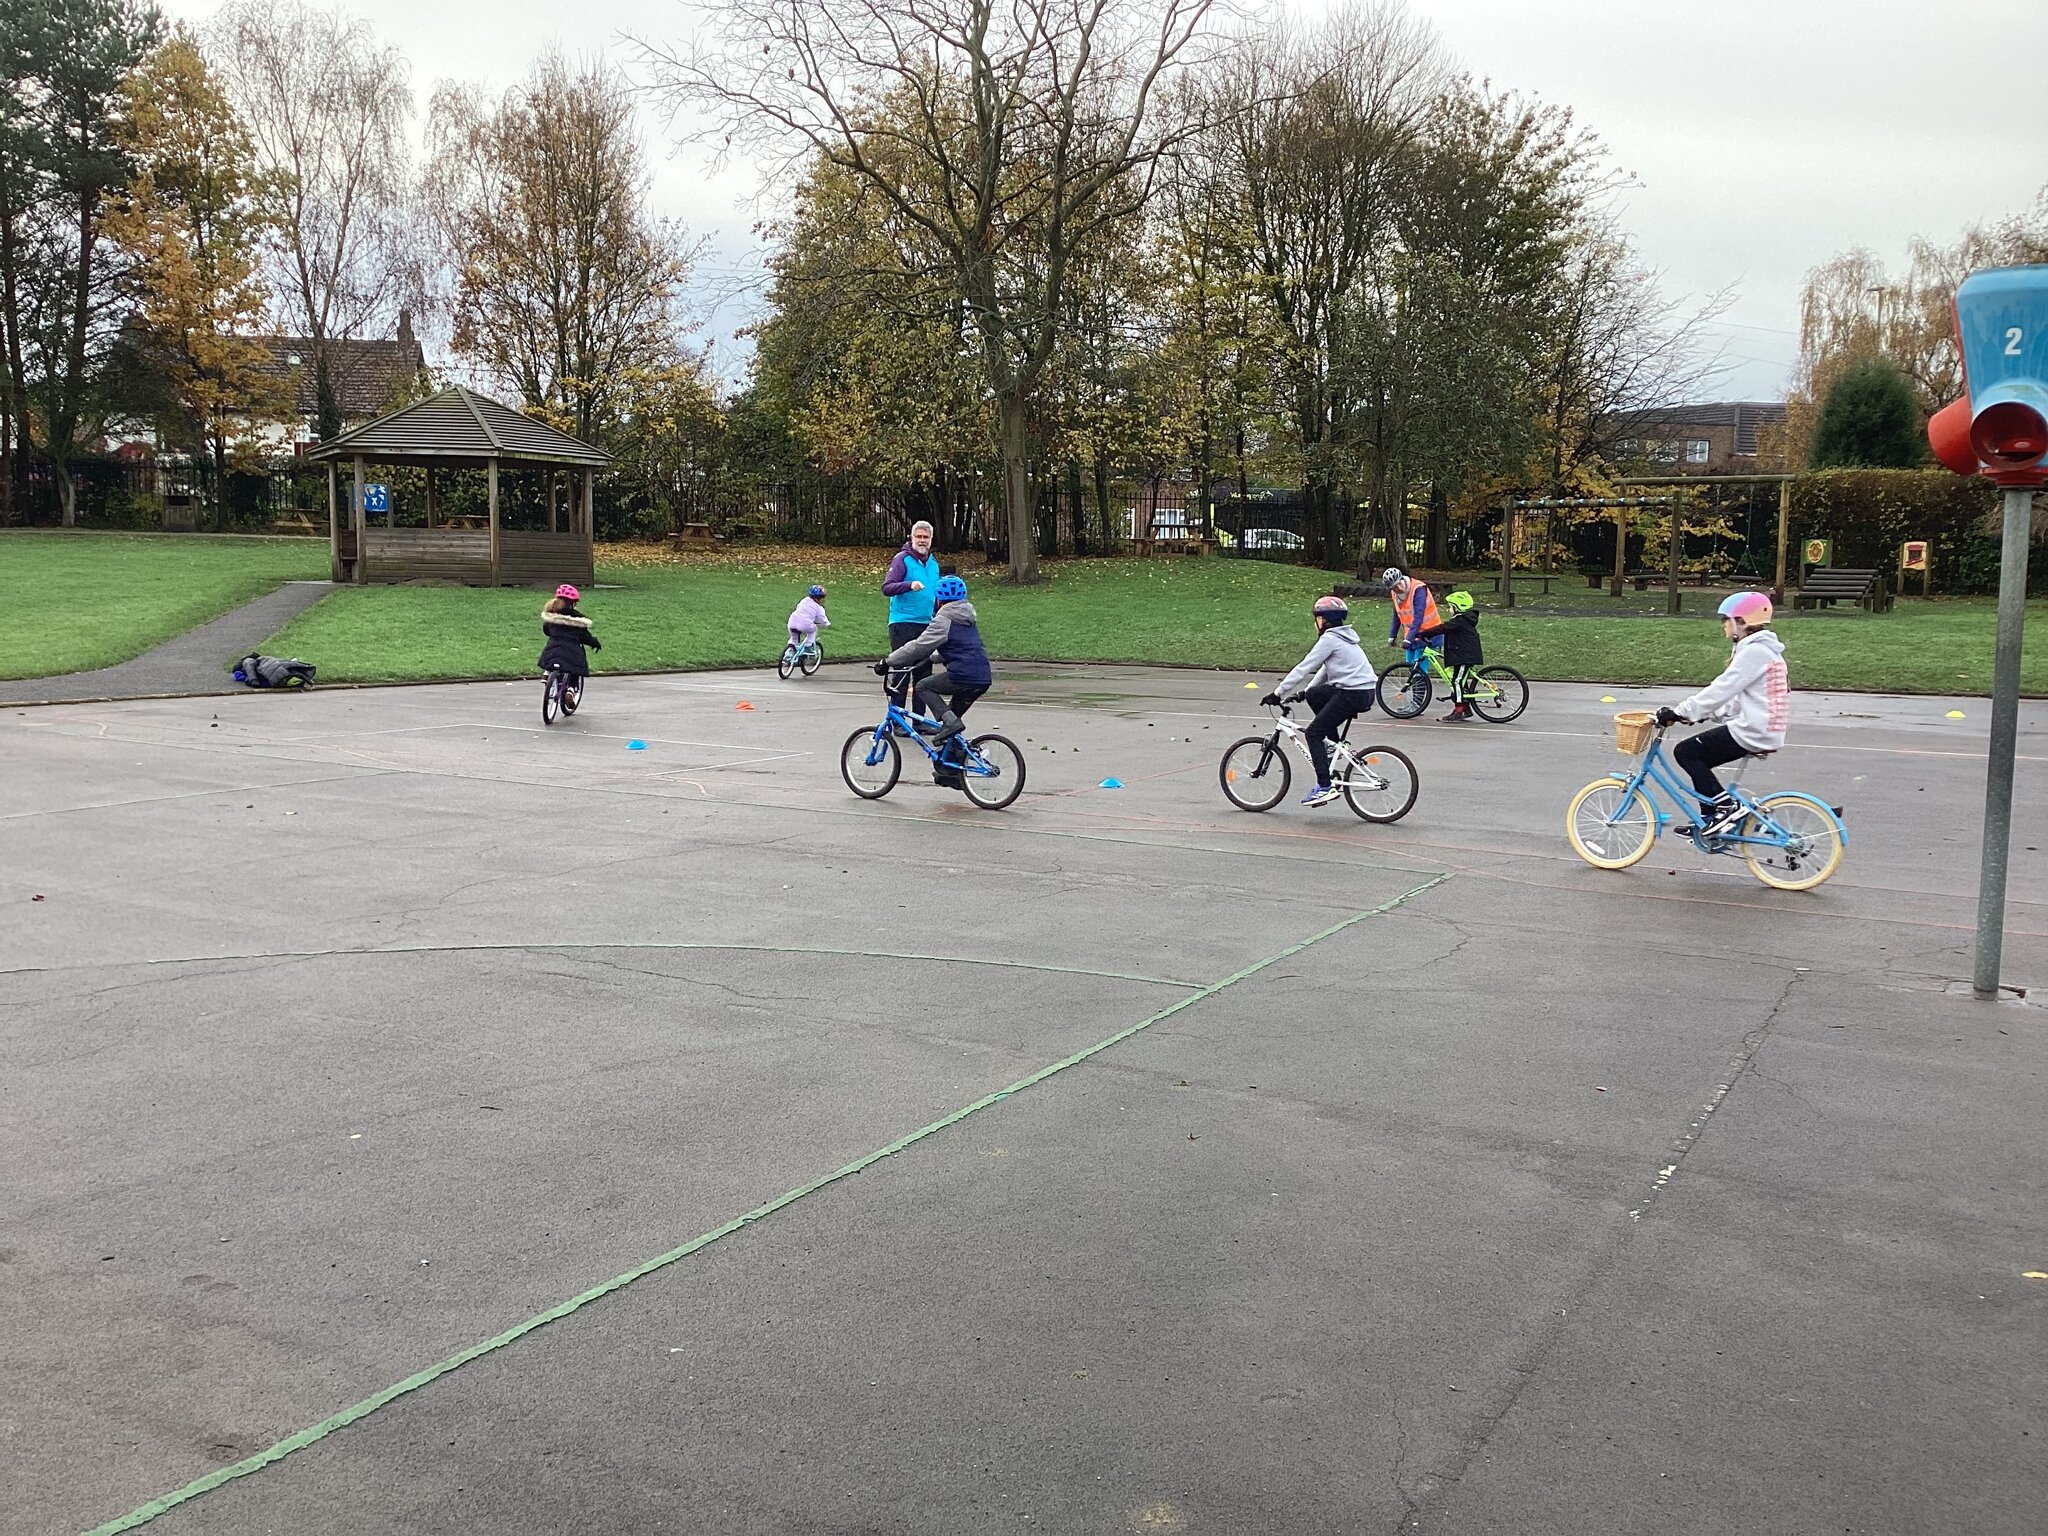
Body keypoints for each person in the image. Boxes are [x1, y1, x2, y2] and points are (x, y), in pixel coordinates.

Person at [1655, 591, 1789, 836]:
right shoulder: (1762, 651)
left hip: (1755, 730)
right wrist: (1700, 715)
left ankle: (1724, 807)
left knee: (1686, 751)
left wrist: (1681, 711)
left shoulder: (1755, 652)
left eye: (1726, 619)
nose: (1723, 625)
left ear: (1742, 621)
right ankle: (1709, 819)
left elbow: (1721, 689)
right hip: (1762, 727)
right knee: (1698, 756)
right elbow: (1735, 700)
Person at [874, 573, 991, 790]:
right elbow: (961, 648)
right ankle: (951, 773)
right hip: (981, 677)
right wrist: (932, 658)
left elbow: (918, 645)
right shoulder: (967, 617)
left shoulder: (944, 618)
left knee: (923, 686)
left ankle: (951, 724)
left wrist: (888, 661)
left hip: (962, 675)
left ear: (938, 599)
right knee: (949, 727)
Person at [1263, 594, 1378, 807]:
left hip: (1352, 693)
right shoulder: (1345, 637)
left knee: (1314, 734)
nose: (1316, 623)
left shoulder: (1329, 639)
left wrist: (1277, 693)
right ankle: (1333, 745)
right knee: (1315, 695)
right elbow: (1326, 668)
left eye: (1317, 618)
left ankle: (1325, 787)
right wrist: (1305, 692)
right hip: (1363, 691)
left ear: (1324, 620)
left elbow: (1304, 667)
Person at [881, 521, 943, 683]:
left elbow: (935, 594)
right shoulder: (902, 559)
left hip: (926, 625)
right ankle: (896, 708)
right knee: (901, 673)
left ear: (931, 539)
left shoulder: (933, 564)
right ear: (912, 538)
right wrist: (909, 585)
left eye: (926, 537)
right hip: (903, 623)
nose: (922, 540)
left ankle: (918, 710)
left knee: (923, 675)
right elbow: (887, 588)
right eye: (919, 537)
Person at [1414, 589, 1482, 723]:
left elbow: (1442, 628)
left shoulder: (1460, 621)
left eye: (1451, 607)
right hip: (1462, 654)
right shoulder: (1463, 620)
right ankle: (1466, 708)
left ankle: (1459, 709)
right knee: (1459, 681)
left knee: (1457, 680)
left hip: (1465, 656)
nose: (1449, 609)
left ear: (1457, 608)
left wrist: (1423, 634)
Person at [539, 583, 601, 700]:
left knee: (551, 653)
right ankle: (572, 690)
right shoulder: (578, 621)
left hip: (554, 648)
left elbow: (547, 631)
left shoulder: (552, 618)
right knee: (574, 668)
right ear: (573, 603)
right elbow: (585, 637)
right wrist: (595, 643)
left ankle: (547, 674)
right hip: (571, 651)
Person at [1383, 566, 1442, 659]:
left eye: (1399, 583)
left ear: (1402, 578)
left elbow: (1419, 616)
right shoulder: (1395, 594)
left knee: (1419, 668)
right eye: (1395, 587)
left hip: (1429, 633)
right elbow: (1397, 615)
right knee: (1410, 665)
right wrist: (1392, 636)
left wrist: (1408, 639)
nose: (1399, 588)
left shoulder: (1418, 589)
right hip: (1413, 635)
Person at [787, 584, 831, 650]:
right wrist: (827, 624)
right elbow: (822, 619)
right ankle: (808, 646)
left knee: (794, 639)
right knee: (813, 630)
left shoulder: (804, 600)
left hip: (792, 621)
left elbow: (798, 607)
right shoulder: (819, 608)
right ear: (818, 599)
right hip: (804, 624)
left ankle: (789, 653)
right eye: (823, 597)